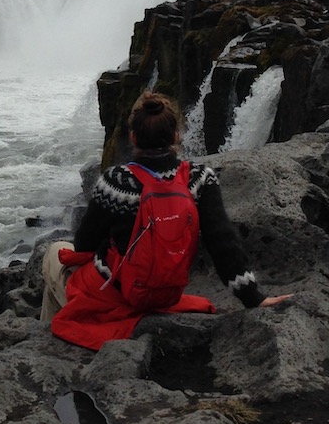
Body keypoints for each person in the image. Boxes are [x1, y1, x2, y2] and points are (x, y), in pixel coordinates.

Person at [41, 90, 293, 351]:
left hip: (115, 295)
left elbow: (84, 243)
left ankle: (48, 340)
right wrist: (254, 298)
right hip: (165, 295)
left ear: (133, 137)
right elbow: (223, 242)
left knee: (55, 252)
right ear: (176, 136)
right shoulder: (199, 179)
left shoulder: (115, 182)